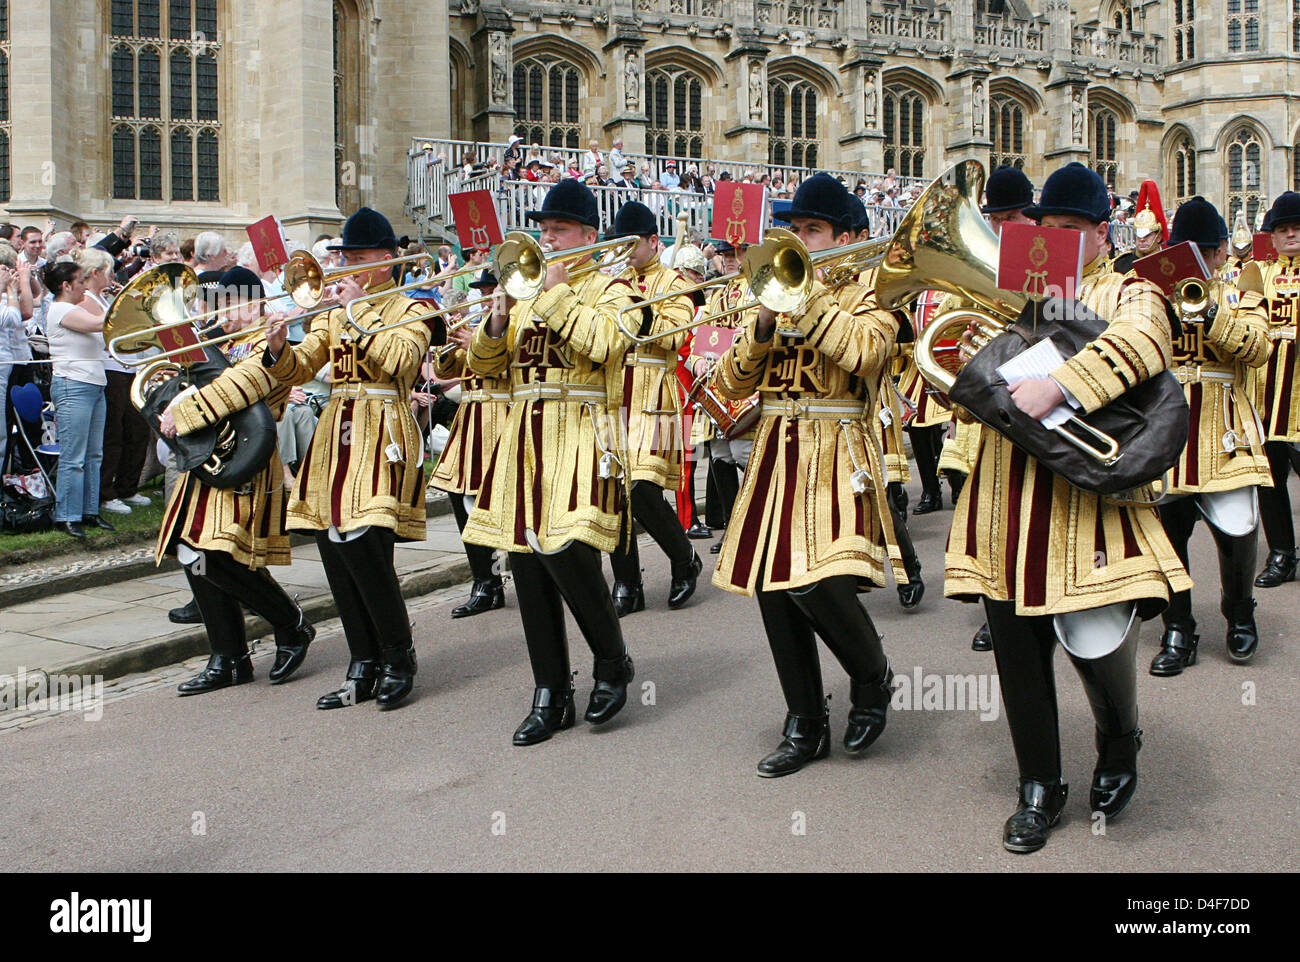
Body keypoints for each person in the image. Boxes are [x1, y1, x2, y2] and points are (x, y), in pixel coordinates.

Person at [949, 163, 1191, 853]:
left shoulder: (1126, 288)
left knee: (1096, 640)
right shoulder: (1008, 296)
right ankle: (1039, 785)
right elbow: (958, 369)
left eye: (1070, 230)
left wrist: (1061, 386)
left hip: (1085, 501)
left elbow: (1144, 341)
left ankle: (1118, 739)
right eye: (1044, 229)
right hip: (1006, 497)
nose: (1053, 241)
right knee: (1017, 649)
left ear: (1099, 232)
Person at [709, 174, 904, 778]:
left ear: (846, 236)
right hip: (774, 447)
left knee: (818, 580)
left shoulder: (871, 290)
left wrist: (808, 295)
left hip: (837, 446)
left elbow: (867, 354)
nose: (797, 239)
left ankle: (871, 677)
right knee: (774, 588)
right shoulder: (773, 290)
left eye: (811, 230)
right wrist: (764, 326)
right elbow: (728, 384)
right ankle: (805, 722)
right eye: (793, 229)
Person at [460, 179, 638, 746]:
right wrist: (495, 320)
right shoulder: (523, 292)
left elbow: (607, 345)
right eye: (543, 230)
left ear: (588, 236)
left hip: (584, 430)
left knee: (566, 547)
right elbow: (486, 369)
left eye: (557, 230)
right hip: (523, 436)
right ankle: (550, 692)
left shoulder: (613, 288)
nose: (546, 239)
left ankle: (611, 660)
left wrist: (557, 295)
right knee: (527, 564)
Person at [262, 208, 434, 711]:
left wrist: (362, 311)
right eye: (344, 259)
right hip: (336, 432)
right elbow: (304, 365)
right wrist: (278, 349)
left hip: (383, 429)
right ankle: (362, 663)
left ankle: (398, 658)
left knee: (366, 547)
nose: (346, 268)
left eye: (357, 258)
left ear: (386, 259)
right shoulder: (333, 312)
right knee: (334, 550)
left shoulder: (412, 307)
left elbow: (400, 362)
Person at [155, 268, 316, 694]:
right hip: (202, 463)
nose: (222, 313)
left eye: (231, 304)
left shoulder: (268, 343)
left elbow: (245, 386)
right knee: (194, 554)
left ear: (253, 302)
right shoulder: (215, 342)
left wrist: (185, 410)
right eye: (218, 305)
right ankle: (228, 657)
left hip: (244, 463)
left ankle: (290, 622)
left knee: (222, 554)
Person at [1149, 197, 1270, 675]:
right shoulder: (1152, 296)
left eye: (1204, 250)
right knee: (1166, 534)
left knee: (1238, 529)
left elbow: (1258, 348)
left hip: (1224, 429)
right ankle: (1178, 628)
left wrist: (1211, 311)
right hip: (1170, 426)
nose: (1196, 258)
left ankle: (1239, 612)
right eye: (1185, 250)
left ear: (1222, 252)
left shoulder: (1244, 292)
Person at [604, 201, 703, 616]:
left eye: (632, 244)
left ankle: (684, 559)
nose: (625, 253)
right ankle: (628, 582)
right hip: (612, 392)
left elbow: (671, 334)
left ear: (653, 242)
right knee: (612, 489)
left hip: (653, 393)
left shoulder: (675, 283)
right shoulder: (612, 280)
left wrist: (625, 298)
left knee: (642, 487)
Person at [960, 165, 1038, 652]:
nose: (1004, 227)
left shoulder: (1051, 271)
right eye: (997, 218)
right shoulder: (989, 277)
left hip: (1053, 412)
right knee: (998, 520)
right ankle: (1001, 609)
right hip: (1000, 424)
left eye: (1013, 216)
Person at [430, 272, 511, 618]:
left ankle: (526, 574)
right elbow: (446, 369)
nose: (487, 296)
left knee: (508, 502)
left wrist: (475, 341)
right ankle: (485, 582)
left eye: (493, 290)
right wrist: (449, 345)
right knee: (462, 499)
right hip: (472, 418)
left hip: (505, 413)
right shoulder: (478, 324)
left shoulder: (516, 323)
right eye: (484, 291)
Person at [687, 239, 755, 552]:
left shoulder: (759, 290)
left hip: (746, 387)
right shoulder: (717, 295)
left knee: (746, 454)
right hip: (715, 389)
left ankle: (757, 523)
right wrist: (697, 359)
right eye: (725, 254)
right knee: (720, 456)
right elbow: (698, 337)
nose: (728, 259)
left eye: (736, 253)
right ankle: (733, 527)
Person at [1249, 190, 1300, 590]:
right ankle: (1281, 552)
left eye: (1297, 227)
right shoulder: (1257, 274)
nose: (1290, 234)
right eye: (1283, 229)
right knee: (1270, 479)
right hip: (1267, 392)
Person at [43, 261, 111, 540]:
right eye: (80, 282)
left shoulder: (76, 307)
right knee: (74, 456)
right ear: (66, 286)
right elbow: (99, 324)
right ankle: (67, 515)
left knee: (94, 454)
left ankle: (89, 511)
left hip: (94, 383)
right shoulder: (60, 309)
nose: (85, 286)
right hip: (74, 384)